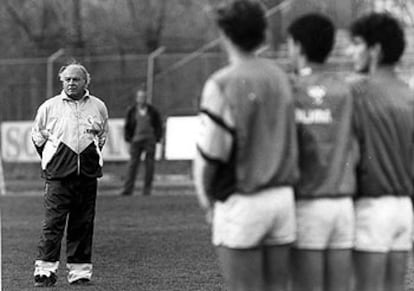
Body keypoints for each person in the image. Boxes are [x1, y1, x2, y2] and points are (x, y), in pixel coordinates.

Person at [193, 1, 299, 290]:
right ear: (263, 34)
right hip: (283, 200)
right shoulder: (283, 78)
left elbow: (211, 153)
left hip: (243, 201)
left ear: (224, 35)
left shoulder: (222, 83)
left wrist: (207, 199)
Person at [287, 13, 356, 291]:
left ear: (300, 47)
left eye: (291, 43)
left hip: (309, 203)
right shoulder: (345, 89)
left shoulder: (291, 89)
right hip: (343, 206)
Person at [349, 13, 414, 291]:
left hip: (371, 207)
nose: (352, 51)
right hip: (404, 210)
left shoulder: (357, 92)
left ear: (374, 50)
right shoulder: (408, 94)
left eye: (358, 44)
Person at [31, 63, 109, 287]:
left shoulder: (99, 107)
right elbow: (38, 138)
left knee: (83, 224)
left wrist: (87, 159)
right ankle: (45, 271)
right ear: (61, 81)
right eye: (67, 79)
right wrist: (55, 160)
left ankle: (80, 273)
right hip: (58, 178)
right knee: (52, 224)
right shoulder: (49, 107)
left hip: (87, 176)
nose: (71, 83)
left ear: (87, 81)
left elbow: (101, 138)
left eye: (76, 79)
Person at [120, 88, 163, 196]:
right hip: (136, 140)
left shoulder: (153, 111)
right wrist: (128, 140)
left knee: (149, 166)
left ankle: (147, 190)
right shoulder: (132, 111)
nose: (141, 99)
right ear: (137, 99)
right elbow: (128, 126)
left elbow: (158, 125)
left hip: (150, 140)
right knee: (133, 165)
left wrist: (158, 137)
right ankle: (128, 189)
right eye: (140, 97)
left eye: (143, 97)